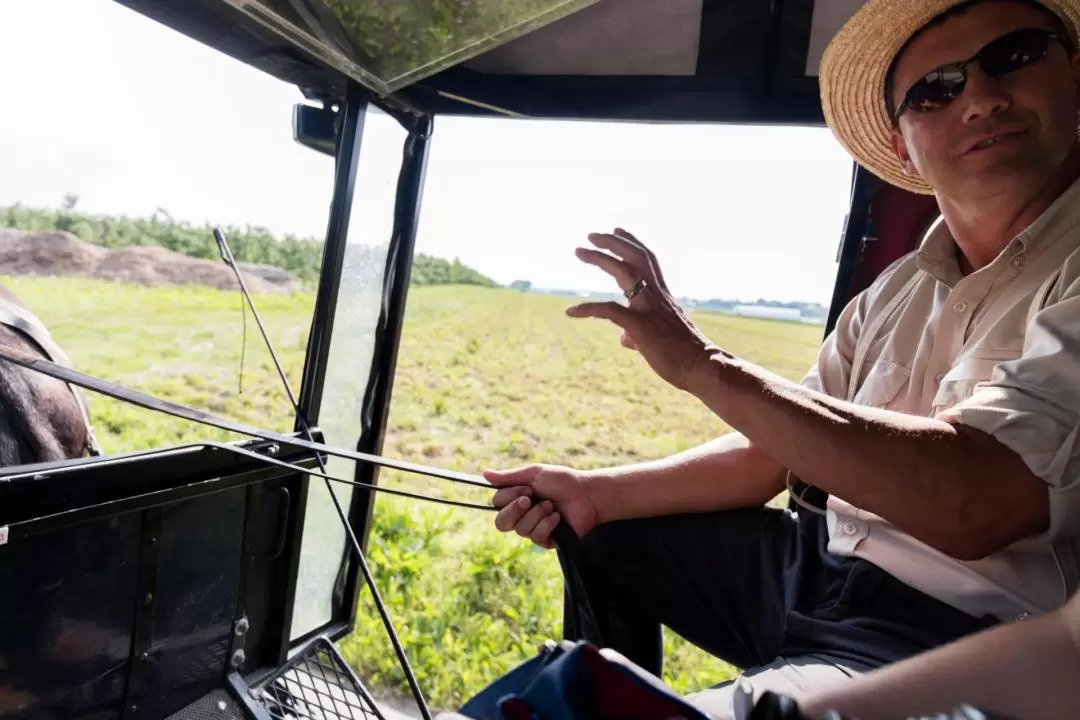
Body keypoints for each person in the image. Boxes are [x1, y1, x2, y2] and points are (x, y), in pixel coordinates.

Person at [485, 0, 1080, 715]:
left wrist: (703, 363)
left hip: (956, 634)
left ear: (1072, 75)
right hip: (817, 568)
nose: (981, 98)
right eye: (936, 89)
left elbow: (975, 503)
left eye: (1014, 56)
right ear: (901, 147)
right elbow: (779, 454)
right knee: (606, 532)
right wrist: (593, 491)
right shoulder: (894, 290)